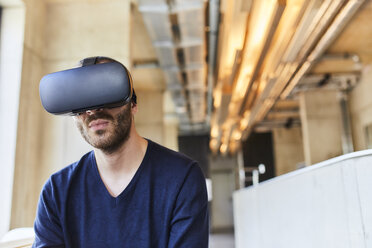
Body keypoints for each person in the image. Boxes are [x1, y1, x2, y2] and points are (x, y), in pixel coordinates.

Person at [33, 57, 209, 247]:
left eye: (105, 94)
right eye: (82, 102)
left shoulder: (182, 178)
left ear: (133, 104)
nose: (93, 110)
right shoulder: (56, 192)